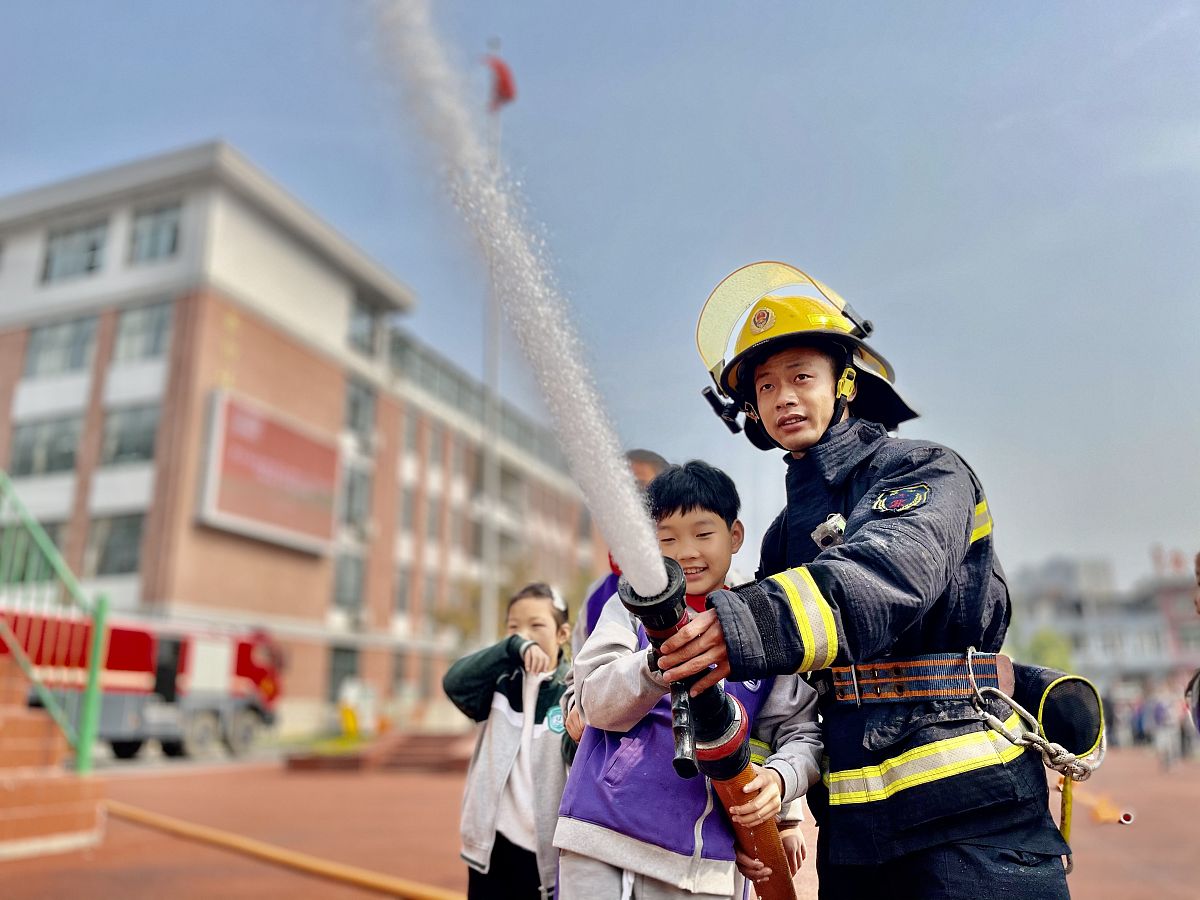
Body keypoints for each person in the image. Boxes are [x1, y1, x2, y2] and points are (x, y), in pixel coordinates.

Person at [657, 262, 1072, 899]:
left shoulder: (923, 470)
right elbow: (785, 700)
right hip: (855, 834)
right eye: (765, 387)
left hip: (970, 820)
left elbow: (888, 573)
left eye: (801, 376)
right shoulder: (780, 537)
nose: (783, 398)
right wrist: (777, 801)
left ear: (844, 382)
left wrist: (740, 625)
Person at [555, 460, 822, 899]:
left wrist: (779, 788)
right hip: (603, 839)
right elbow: (593, 702)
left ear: (734, 536)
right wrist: (656, 665)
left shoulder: (762, 627)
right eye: (667, 539)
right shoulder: (627, 610)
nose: (687, 551)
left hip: (708, 865)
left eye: (703, 534)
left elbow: (802, 734)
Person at [443, 583, 573, 900]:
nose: (524, 634)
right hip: (493, 845)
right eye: (514, 628)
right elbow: (454, 683)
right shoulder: (500, 682)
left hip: (547, 849)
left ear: (562, 634)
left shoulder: (572, 687)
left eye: (536, 625)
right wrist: (510, 648)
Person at [564, 448, 669, 746]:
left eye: (637, 488)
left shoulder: (712, 580)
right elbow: (574, 679)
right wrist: (575, 707)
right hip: (615, 772)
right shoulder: (600, 594)